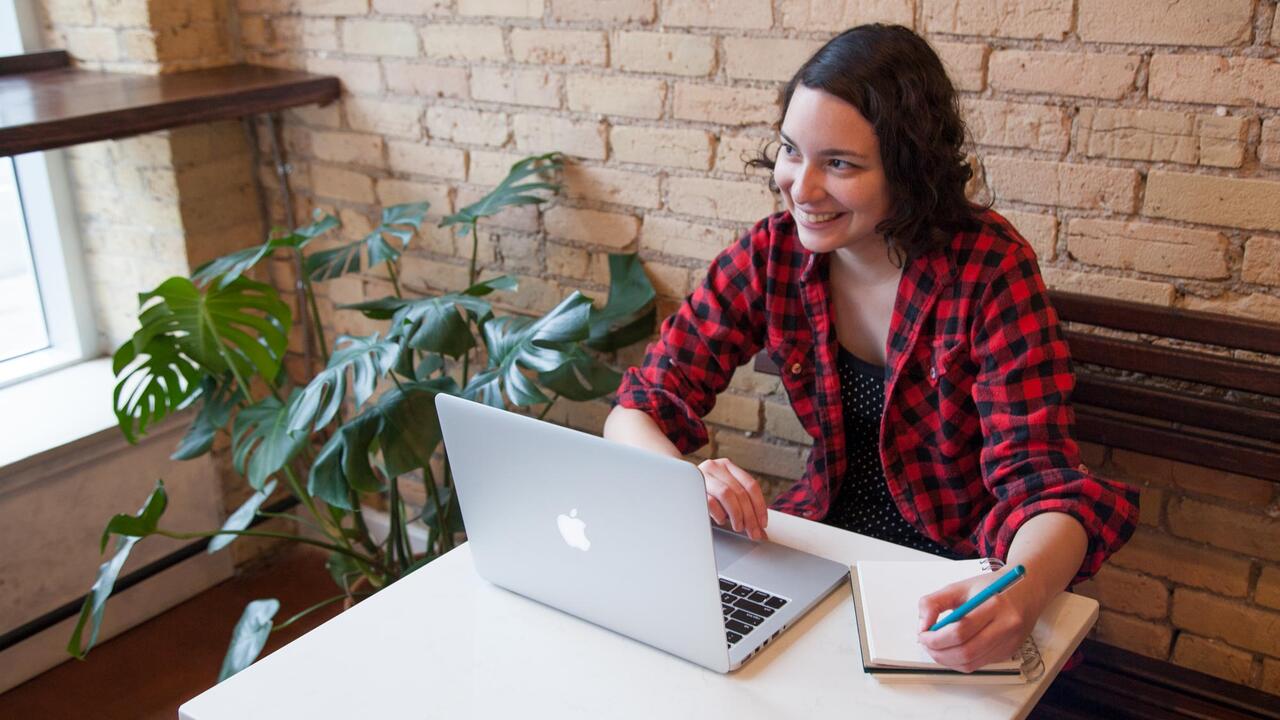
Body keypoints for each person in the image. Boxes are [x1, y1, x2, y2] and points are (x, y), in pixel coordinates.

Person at [602, 24, 1139, 673]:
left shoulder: (989, 270)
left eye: (840, 164)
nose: (801, 187)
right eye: (791, 151)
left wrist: (1020, 593)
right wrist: (687, 478)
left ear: (910, 170)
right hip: (816, 552)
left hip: (951, 575)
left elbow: (1043, 484)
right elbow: (637, 409)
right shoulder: (772, 254)